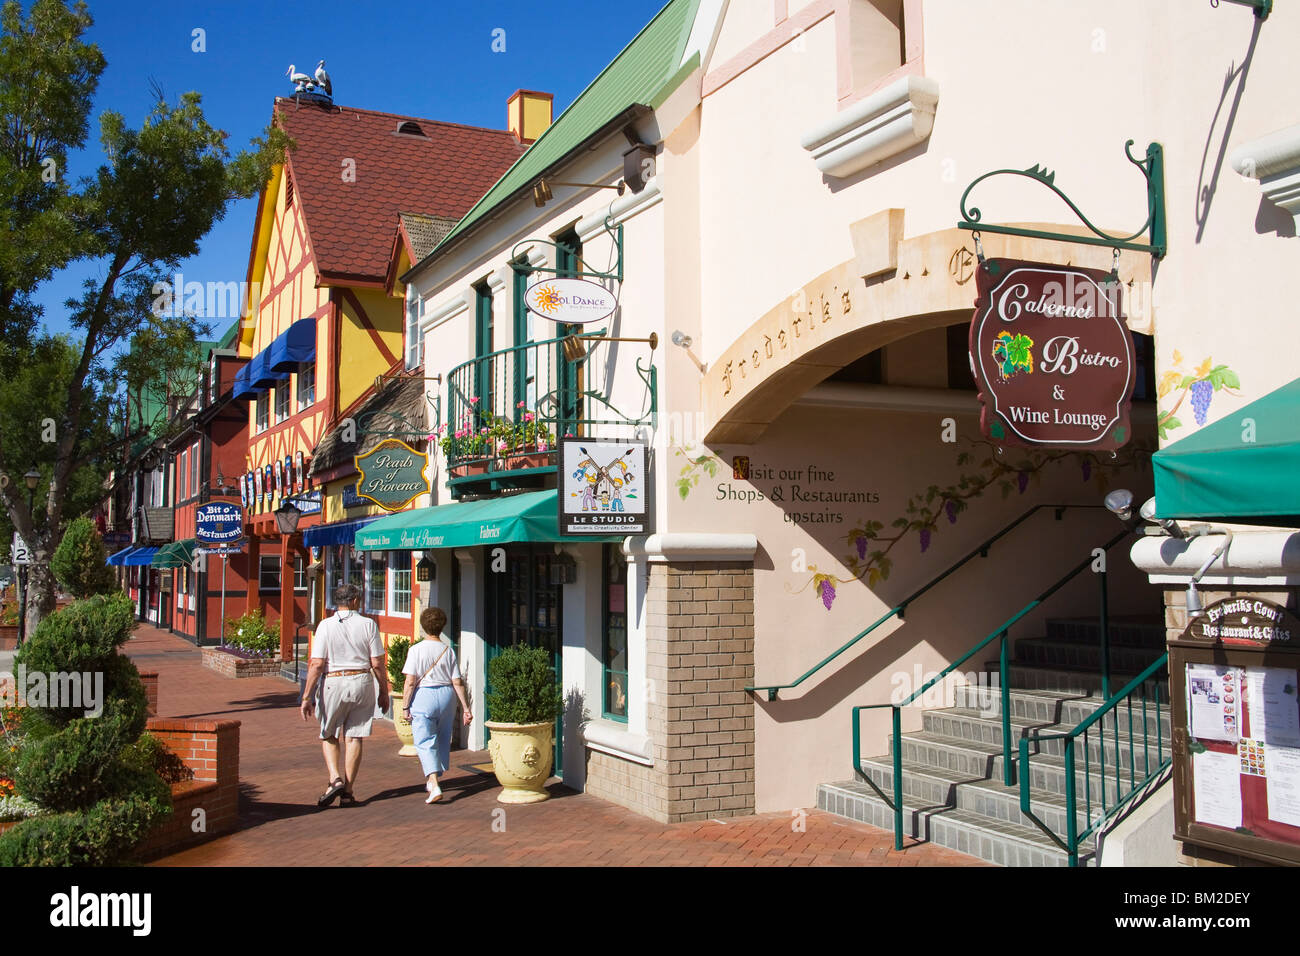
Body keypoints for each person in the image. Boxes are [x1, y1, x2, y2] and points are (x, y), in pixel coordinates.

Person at [300, 583, 389, 807]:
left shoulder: (325, 626)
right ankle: (348, 792)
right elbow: (377, 662)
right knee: (354, 736)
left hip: (334, 681)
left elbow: (317, 664)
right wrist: (384, 691)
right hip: (361, 680)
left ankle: (334, 779)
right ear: (355, 600)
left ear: (336, 602)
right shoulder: (368, 624)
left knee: (328, 732)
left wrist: (306, 696)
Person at [401, 606, 471, 803]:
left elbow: (411, 681)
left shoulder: (416, 650)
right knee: (442, 736)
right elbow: (457, 681)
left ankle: (433, 782)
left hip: (425, 695)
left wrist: (405, 706)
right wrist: (465, 708)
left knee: (424, 740)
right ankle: (434, 775)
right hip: (446, 696)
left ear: (423, 626)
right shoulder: (448, 650)